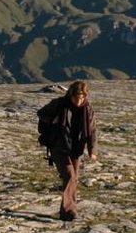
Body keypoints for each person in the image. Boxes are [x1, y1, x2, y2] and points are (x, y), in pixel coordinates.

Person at [37, 80, 97, 221]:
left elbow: (92, 131)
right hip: (59, 146)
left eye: (82, 97)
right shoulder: (59, 104)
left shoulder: (87, 108)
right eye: (77, 96)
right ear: (70, 95)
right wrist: (54, 120)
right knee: (70, 176)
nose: (79, 100)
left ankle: (67, 212)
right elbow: (41, 113)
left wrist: (92, 150)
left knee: (73, 179)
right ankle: (70, 212)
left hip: (76, 148)